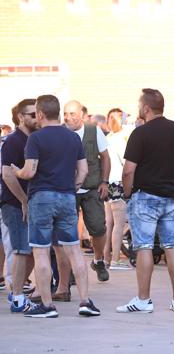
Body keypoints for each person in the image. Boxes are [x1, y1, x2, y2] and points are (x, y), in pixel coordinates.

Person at [13, 94, 100, 318]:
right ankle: (85, 301)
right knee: (73, 250)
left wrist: (17, 171)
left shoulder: (36, 139)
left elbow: (30, 171)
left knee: (41, 252)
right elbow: (83, 171)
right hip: (67, 197)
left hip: (41, 197)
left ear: (40, 114)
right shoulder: (72, 138)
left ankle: (48, 305)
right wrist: (72, 186)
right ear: (59, 113)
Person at [117, 88, 174, 313]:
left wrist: (127, 194)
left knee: (144, 245)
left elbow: (128, 171)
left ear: (146, 108)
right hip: (173, 195)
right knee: (172, 244)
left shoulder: (141, 134)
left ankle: (143, 299)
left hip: (146, 196)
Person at [61, 100, 111, 287]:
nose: (68, 117)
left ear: (82, 114)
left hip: (91, 188)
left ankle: (98, 261)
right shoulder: (60, 131)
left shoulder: (93, 130)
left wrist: (105, 182)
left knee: (98, 228)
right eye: (66, 113)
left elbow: (105, 157)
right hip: (67, 190)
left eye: (73, 113)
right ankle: (70, 268)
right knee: (67, 231)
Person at [2, 99, 37, 312]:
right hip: (14, 205)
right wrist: (23, 201)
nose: (36, 117)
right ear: (21, 117)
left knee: (33, 252)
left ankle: (17, 290)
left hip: (30, 205)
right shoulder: (14, 141)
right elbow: (7, 174)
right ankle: (17, 298)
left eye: (38, 113)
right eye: (31, 114)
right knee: (20, 250)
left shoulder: (34, 140)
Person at [104, 108, 131, 270]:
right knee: (119, 224)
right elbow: (126, 162)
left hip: (107, 181)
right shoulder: (121, 139)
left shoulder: (108, 138)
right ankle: (116, 259)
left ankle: (105, 258)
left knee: (109, 223)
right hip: (118, 182)